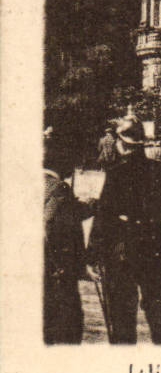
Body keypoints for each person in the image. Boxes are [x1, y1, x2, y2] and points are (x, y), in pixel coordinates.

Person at [87, 118, 161, 345]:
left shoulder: (116, 172)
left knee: (123, 309)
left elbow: (103, 216)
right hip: (154, 245)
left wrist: (91, 255)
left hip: (121, 248)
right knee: (156, 304)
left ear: (121, 143)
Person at [44, 136, 95, 345]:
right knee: (68, 326)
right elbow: (50, 223)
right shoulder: (58, 188)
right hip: (57, 271)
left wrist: (85, 207)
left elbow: (65, 214)